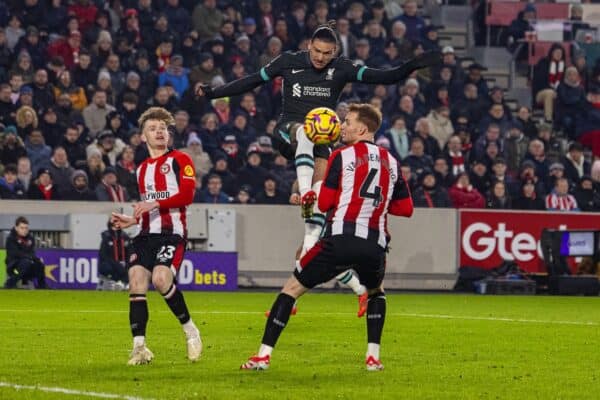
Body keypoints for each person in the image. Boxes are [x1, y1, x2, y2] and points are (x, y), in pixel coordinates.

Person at [197, 22, 439, 261]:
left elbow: (385, 77)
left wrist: (412, 65)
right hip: (287, 132)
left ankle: (306, 261)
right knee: (305, 132)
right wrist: (214, 93)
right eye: (317, 51)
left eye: (326, 53)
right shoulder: (288, 61)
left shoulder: (342, 68)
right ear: (309, 45)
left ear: (334, 52)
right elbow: (250, 81)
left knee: (319, 202)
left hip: (322, 140)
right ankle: (304, 193)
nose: (321, 58)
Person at [241, 103, 413, 371]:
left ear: (362, 128)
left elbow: (324, 204)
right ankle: (373, 358)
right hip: (374, 244)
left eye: (348, 121)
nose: (342, 126)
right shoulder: (392, 162)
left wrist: (312, 198)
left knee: (291, 290)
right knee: (376, 292)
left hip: (340, 238)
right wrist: (373, 204)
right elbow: (406, 209)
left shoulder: (342, 156)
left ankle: (263, 356)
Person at [110, 107, 201, 365]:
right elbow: (148, 206)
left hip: (172, 233)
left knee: (162, 279)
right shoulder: (141, 171)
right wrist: (132, 219)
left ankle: (190, 331)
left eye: (163, 128)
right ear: (143, 137)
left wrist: (152, 205)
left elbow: (187, 196)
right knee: (136, 281)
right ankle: (139, 348)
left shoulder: (180, 160)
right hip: (145, 233)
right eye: (153, 128)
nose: (159, 132)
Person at [4, 216, 47, 289]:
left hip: (27, 265)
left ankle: (42, 286)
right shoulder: (11, 239)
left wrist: (37, 259)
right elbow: (16, 254)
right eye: (22, 228)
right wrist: (30, 258)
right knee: (25, 263)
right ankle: (9, 284)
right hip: (14, 268)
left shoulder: (30, 239)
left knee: (39, 264)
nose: (24, 230)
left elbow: (32, 253)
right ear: (16, 228)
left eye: (26, 228)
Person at [98, 218, 130, 290]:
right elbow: (104, 255)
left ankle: (123, 284)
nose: (115, 227)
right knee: (108, 268)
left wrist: (126, 264)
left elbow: (129, 254)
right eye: (113, 225)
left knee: (130, 269)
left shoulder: (125, 238)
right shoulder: (106, 237)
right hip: (109, 265)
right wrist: (117, 265)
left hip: (122, 265)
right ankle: (115, 283)